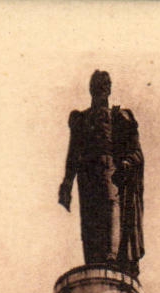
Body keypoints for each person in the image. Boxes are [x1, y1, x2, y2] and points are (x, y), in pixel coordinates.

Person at [59, 71, 144, 277]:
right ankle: (95, 262)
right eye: (97, 86)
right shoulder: (81, 118)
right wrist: (67, 184)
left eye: (104, 86)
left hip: (109, 170)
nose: (100, 90)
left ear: (109, 89)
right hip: (87, 173)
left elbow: (135, 151)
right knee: (89, 216)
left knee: (110, 209)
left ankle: (111, 258)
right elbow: (73, 153)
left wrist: (126, 163)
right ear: (91, 89)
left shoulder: (119, 117)